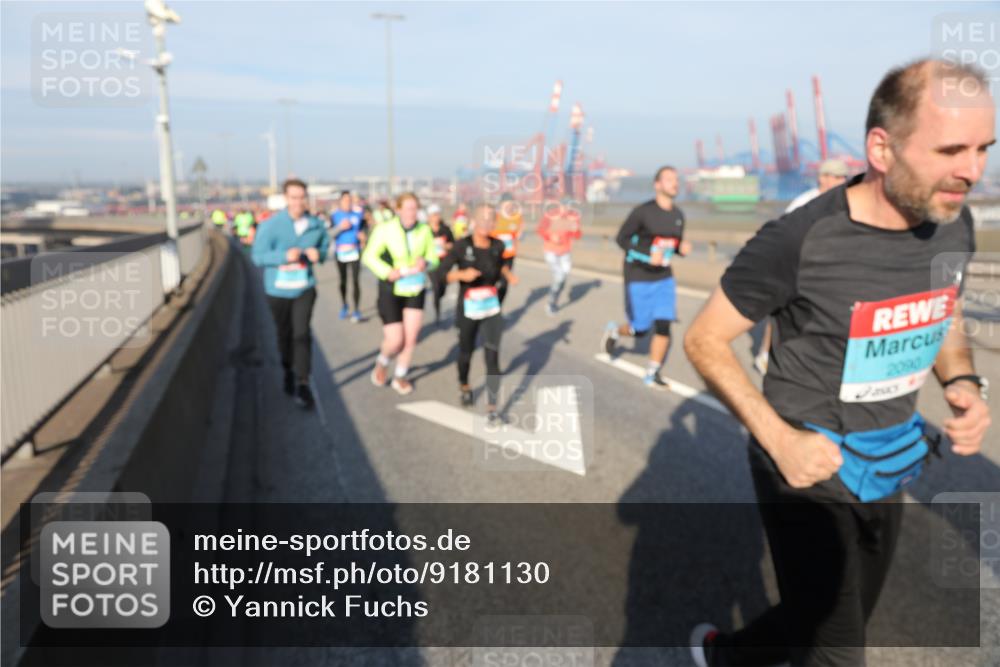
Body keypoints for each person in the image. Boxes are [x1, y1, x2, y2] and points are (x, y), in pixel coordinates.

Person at [684, 59, 993, 667]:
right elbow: (704, 340)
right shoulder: (800, 239)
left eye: (985, 148)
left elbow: (944, 310)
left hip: (890, 453)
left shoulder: (954, 224)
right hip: (806, 459)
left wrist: (961, 378)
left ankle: (727, 655)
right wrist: (779, 440)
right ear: (881, 147)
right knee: (838, 645)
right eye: (951, 149)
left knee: (824, 616)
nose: (973, 172)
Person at [754, 159, 852, 374]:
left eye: (844, 177)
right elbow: (781, 236)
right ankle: (765, 353)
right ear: (822, 178)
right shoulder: (805, 203)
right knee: (783, 313)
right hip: (797, 267)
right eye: (837, 176)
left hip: (829, 270)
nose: (842, 181)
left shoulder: (846, 202)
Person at [600, 166, 692, 389]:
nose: (675, 183)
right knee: (640, 329)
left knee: (663, 325)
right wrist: (646, 256)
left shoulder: (679, 215)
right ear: (657, 185)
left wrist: (681, 249)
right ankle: (614, 331)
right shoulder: (642, 212)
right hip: (638, 276)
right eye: (669, 179)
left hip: (664, 278)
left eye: (676, 179)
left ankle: (653, 372)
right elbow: (621, 239)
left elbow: (671, 246)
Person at [252, 179, 330, 410]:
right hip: (277, 291)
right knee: (284, 335)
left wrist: (319, 255)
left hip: (304, 288)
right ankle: (287, 368)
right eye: (293, 197)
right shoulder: (271, 225)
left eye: (302, 197)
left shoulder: (316, 225)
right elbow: (257, 256)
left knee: (302, 334)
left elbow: (325, 249)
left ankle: (303, 382)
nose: (298, 202)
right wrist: (284, 256)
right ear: (286, 199)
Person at [439, 203, 518, 423]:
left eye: (490, 219)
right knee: (466, 352)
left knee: (492, 356)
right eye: (482, 219)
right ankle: (464, 384)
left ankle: (492, 406)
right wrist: (461, 275)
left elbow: (500, 264)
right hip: (468, 308)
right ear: (473, 222)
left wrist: (508, 276)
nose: (486, 223)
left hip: (491, 307)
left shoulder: (498, 245)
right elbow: (441, 274)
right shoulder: (461, 246)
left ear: (495, 223)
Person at [362, 192, 440, 395]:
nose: (412, 212)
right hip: (391, 288)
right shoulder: (384, 229)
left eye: (415, 208)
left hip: (415, 287)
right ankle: (382, 362)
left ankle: (400, 376)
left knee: (411, 338)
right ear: (398, 210)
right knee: (396, 339)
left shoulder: (424, 230)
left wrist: (426, 262)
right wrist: (388, 272)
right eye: (408, 208)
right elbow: (369, 256)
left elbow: (434, 256)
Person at [537, 199, 582, 315]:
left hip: (565, 251)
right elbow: (540, 230)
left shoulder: (573, 216)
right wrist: (550, 237)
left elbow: (577, 235)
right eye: (564, 204)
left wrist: (576, 230)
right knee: (559, 277)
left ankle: (554, 299)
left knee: (563, 277)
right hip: (551, 250)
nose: (566, 207)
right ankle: (551, 303)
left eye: (569, 205)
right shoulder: (551, 215)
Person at [330, 190, 367, 322]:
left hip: (355, 251)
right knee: (343, 281)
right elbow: (328, 234)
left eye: (350, 200)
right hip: (340, 252)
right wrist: (340, 228)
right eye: (345, 200)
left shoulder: (358, 214)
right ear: (340, 202)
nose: (348, 202)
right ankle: (344, 304)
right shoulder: (335, 216)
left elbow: (364, 229)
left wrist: (363, 237)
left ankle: (356, 310)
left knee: (356, 281)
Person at [491, 193, 523, 303]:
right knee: (492, 281)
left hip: (508, 256)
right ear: (501, 205)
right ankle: (489, 306)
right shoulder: (494, 217)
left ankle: (497, 307)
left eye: (511, 204)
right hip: (494, 256)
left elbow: (517, 236)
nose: (509, 206)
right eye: (506, 204)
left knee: (504, 284)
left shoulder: (516, 218)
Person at [427, 203, 455, 324]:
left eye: (437, 215)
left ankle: (440, 296)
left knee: (442, 288)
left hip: (445, 263)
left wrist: (447, 245)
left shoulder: (446, 229)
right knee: (436, 287)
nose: (436, 217)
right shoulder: (424, 230)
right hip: (431, 263)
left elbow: (454, 244)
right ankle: (437, 313)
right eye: (433, 215)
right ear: (429, 217)